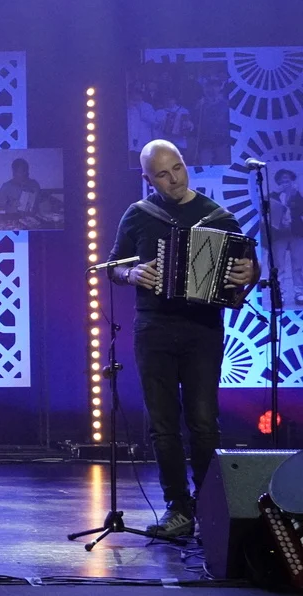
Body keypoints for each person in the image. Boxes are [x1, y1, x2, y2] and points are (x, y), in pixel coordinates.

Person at [107, 139, 258, 538]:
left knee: (204, 423)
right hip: (153, 328)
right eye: (162, 174)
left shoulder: (219, 217)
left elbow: (249, 268)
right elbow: (113, 267)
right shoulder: (138, 215)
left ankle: (210, 508)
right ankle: (178, 507)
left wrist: (250, 274)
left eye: (177, 168)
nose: (174, 179)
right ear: (148, 180)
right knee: (163, 425)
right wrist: (132, 273)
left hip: (202, 329)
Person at [271, 168, 303, 304]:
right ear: (278, 182)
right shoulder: (273, 195)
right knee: (279, 265)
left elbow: (301, 210)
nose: (285, 183)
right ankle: (280, 293)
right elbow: (267, 209)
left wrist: (295, 195)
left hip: (296, 233)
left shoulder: (297, 195)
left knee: (298, 264)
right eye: (283, 180)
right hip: (279, 234)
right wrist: (276, 194)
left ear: (292, 181)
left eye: (288, 180)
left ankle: (299, 292)